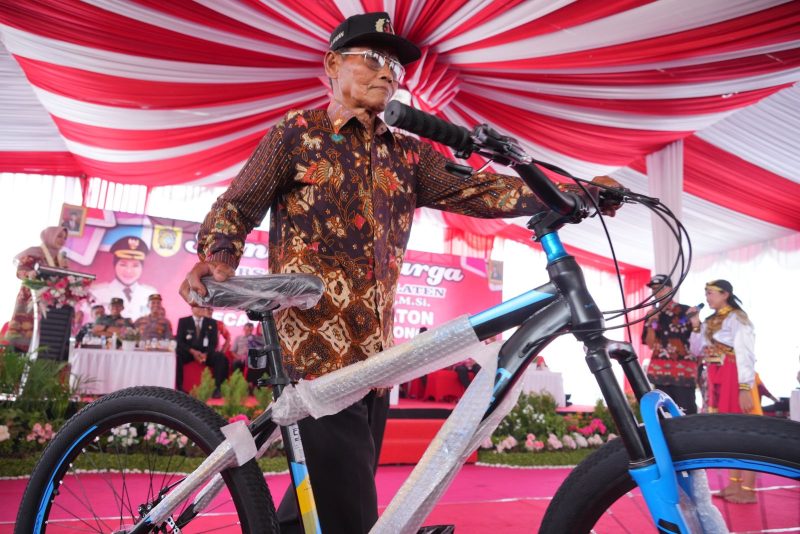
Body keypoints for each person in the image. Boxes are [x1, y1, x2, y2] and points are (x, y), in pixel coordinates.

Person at [179, 11, 623, 533]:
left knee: (320, 505)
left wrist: (572, 192)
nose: (387, 71)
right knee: (351, 514)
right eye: (372, 58)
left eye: (395, 65)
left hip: (376, 362)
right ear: (332, 65)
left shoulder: (409, 154)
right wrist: (218, 255)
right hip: (316, 356)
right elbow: (237, 204)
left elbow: (481, 190)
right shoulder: (297, 133)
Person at [689, 279, 760, 504]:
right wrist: (695, 324)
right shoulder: (710, 321)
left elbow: (745, 353)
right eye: (706, 293)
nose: (707, 297)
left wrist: (745, 387)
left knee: (745, 431)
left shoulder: (738, 318)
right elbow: (696, 350)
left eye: (711, 293)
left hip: (734, 376)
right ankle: (734, 484)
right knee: (729, 432)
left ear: (725, 294)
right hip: (716, 377)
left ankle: (748, 490)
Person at [5, 226, 70, 351]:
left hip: (51, 303)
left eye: (65, 238)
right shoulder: (35, 252)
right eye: (59, 236)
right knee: (22, 338)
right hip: (31, 300)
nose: (63, 240)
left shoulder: (61, 258)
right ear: (50, 236)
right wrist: (29, 274)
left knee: (45, 343)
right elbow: (21, 271)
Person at [640, 274, 697, 414]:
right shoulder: (651, 313)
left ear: (670, 289)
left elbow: (697, 340)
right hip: (660, 372)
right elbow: (650, 344)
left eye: (660, 288)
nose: (656, 292)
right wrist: (652, 322)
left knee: (686, 414)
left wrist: (696, 321)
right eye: (654, 289)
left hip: (683, 373)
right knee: (665, 416)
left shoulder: (685, 311)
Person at [91, 236, 158, 320]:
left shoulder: (150, 294)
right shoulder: (98, 293)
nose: (129, 271)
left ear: (142, 268)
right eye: (123, 265)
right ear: (114, 265)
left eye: (135, 265)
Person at [175, 306, 229, 398]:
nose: (202, 309)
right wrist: (193, 351)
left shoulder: (212, 322)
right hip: (189, 352)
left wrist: (206, 353)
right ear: (192, 309)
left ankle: (217, 388)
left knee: (221, 358)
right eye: (198, 307)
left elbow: (214, 342)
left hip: (205, 353)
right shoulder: (183, 321)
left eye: (202, 307)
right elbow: (179, 341)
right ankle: (179, 388)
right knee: (177, 356)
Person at [231, 322, 265, 387]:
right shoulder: (238, 338)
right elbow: (232, 351)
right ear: (244, 329)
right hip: (240, 358)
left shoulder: (256, 338)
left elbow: (263, 345)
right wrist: (238, 357)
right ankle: (238, 383)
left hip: (251, 358)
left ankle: (252, 384)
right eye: (247, 330)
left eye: (250, 330)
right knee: (236, 363)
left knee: (256, 363)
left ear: (252, 330)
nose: (249, 332)